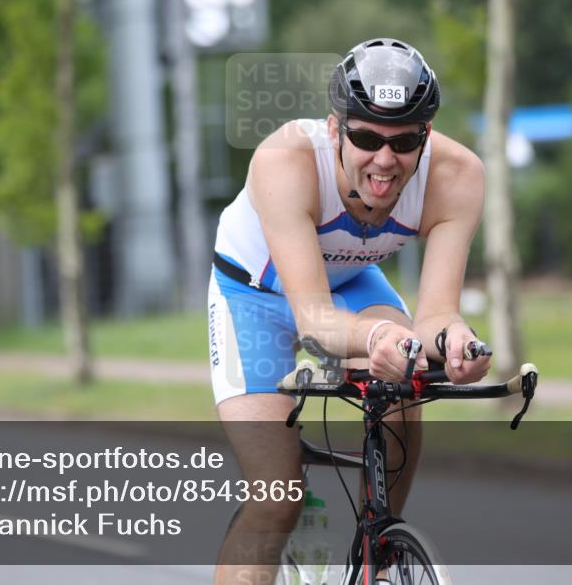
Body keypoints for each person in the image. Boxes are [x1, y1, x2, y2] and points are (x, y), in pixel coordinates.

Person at [208, 38, 491, 583]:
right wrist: (382, 334)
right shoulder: (285, 160)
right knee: (277, 497)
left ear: (425, 136)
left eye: (404, 141)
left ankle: (379, 546)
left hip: (352, 280)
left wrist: (456, 340)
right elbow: (314, 321)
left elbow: (435, 317)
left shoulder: (457, 176)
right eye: (365, 137)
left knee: (405, 378)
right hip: (255, 295)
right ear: (334, 129)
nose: (385, 160)